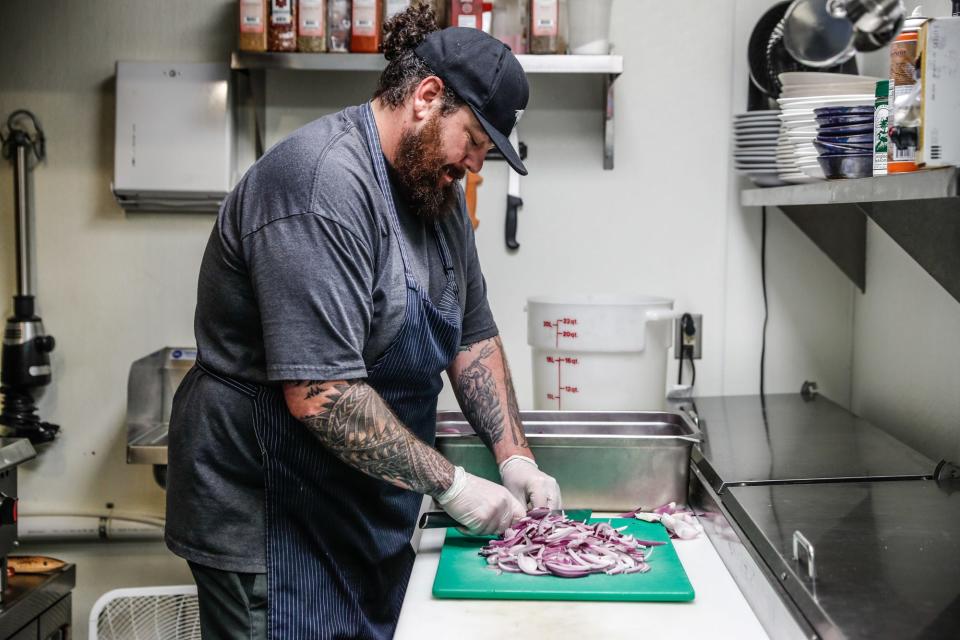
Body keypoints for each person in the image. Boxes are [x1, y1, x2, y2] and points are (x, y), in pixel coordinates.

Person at [164, 6, 561, 639]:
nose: (475, 166)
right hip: (269, 515)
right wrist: (455, 486)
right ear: (428, 98)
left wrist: (515, 459)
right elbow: (323, 396)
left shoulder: (437, 191)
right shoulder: (320, 186)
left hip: (359, 503)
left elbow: (473, 333)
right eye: (475, 143)